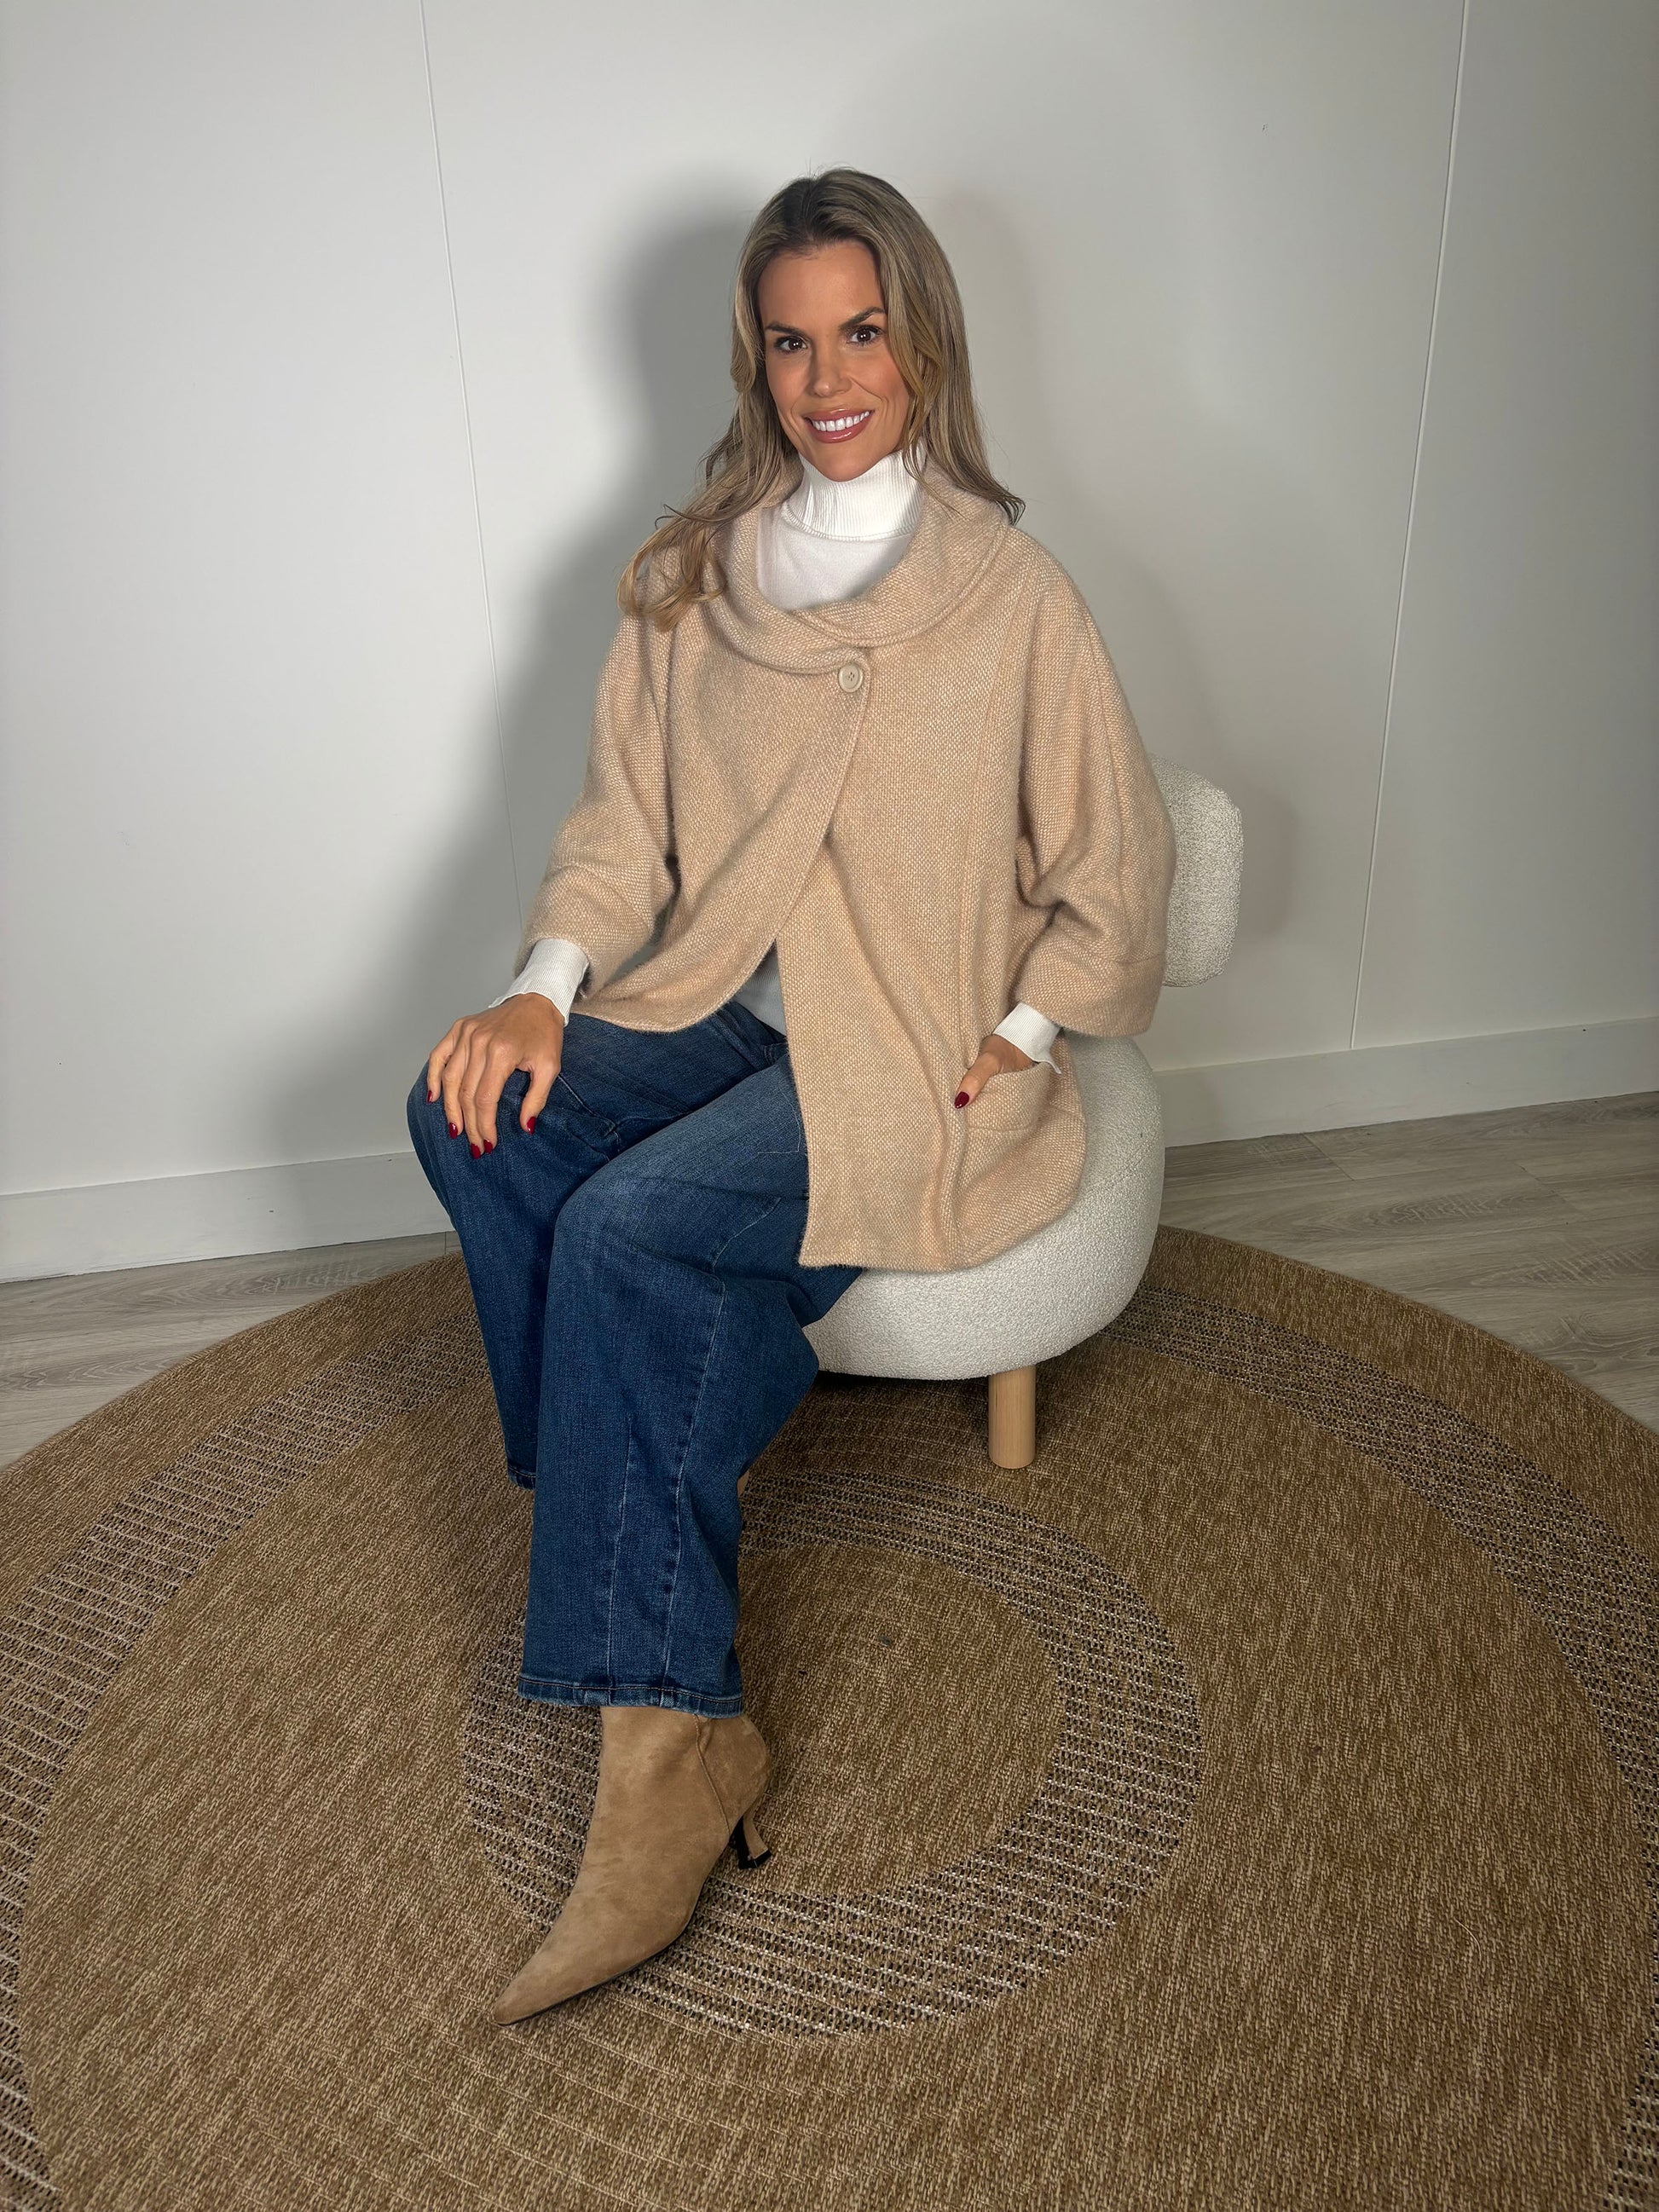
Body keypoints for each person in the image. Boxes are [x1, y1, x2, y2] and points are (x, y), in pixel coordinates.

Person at [406, 166, 1176, 2026]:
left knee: (628, 1233)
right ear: (752, 359)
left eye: (863, 332)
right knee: (468, 1114)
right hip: (712, 1009)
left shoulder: (1012, 595)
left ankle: (667, 1756)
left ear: (922, 342)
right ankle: (637, 1509)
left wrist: (1031, 1030)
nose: (831, 377)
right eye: (791, 340)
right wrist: (539, 993)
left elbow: (1116, 861)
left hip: (900, 1052)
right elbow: (620, 833)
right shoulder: (695, 578)